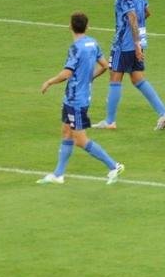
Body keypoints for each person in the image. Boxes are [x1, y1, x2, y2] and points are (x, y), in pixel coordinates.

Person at [37, 13, 124, 185]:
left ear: (70, 26)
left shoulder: (76, 48)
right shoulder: (92, 43)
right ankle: (58, 174)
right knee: (66, 133)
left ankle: (114, 166)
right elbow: (105, 66)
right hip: (74, 98)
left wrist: (50, 81)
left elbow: (67, 73)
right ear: (87, 26)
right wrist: (89, 78)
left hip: (76, 99)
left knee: (80, 140)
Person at [94, 0, 165, 131]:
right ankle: (164, 113)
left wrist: (134, 42)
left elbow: (132, 17)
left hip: (124, 43)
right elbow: (146, 12)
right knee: (137, 78)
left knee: (115, 77)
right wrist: (139, 40)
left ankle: (109, 121)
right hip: (138, 40)